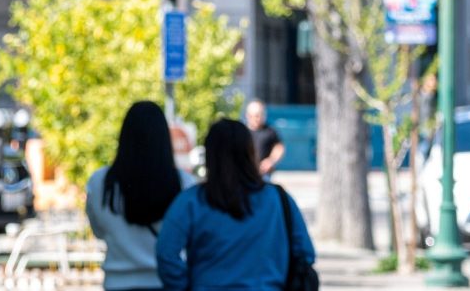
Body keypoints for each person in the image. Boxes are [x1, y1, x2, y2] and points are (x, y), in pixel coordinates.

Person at [155, 119, 314, 291]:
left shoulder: (191, 201)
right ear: (250, 153)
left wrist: (182, 286)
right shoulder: (279, 199)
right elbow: (305, 253)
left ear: (209, 155)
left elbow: (166, 252)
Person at [86, 101, 196, 291]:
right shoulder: (185, 184)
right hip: (167, 283)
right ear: (164, 138)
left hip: (117, 284)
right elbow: (191, 238)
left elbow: (98, 231)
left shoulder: (100, 182)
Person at [246, 100, 285, 179]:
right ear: (248, 116)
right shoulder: (242, 131)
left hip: (263, 174)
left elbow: (279, 147)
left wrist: (271, 161)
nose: (258, 118)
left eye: (260, 115)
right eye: (256, 115)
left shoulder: (270, 131)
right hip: (246, 173)